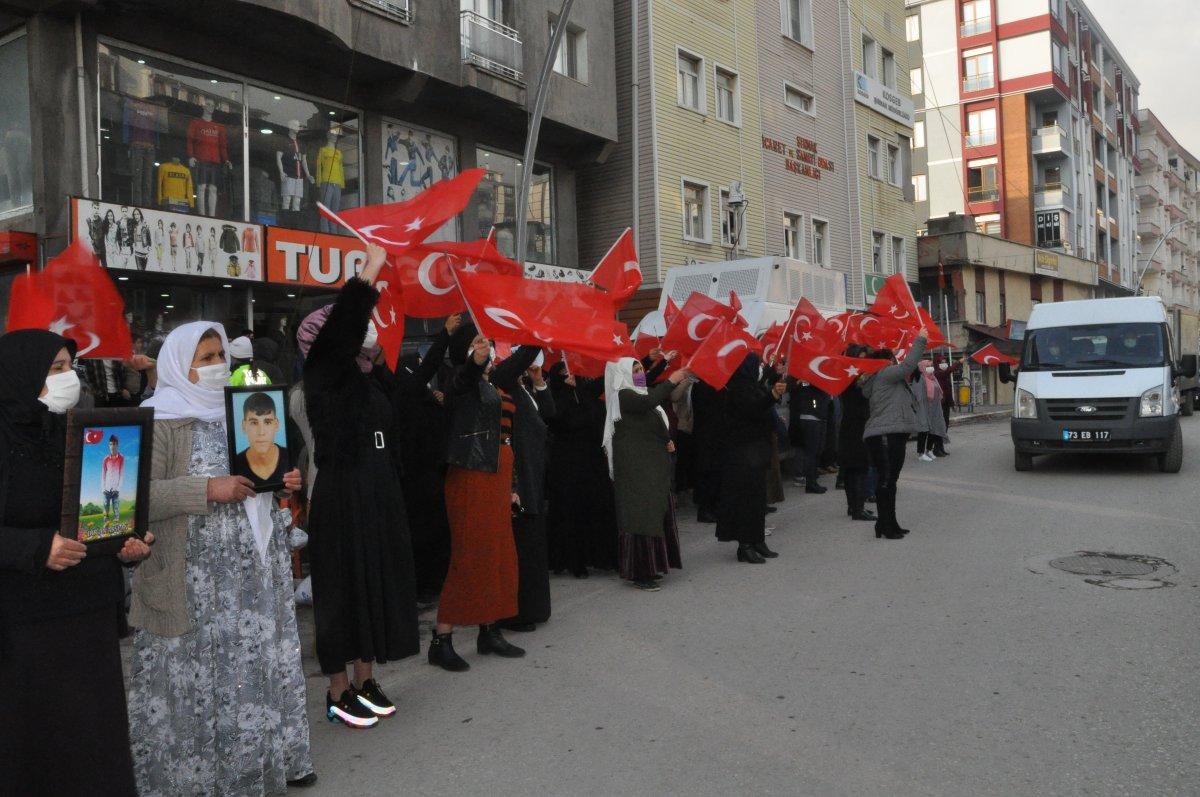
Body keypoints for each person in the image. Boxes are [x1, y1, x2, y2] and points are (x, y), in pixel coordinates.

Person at [128, 322, 313, 794]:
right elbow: (135, 496)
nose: (217, 366)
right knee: (197, 680)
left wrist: (282, 482)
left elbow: (260, 470)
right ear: (177, 364)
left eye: (219, 356)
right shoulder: (157, 417)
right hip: (192, 578)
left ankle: (253, 768)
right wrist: (207, 489)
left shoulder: (235, 411)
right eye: (205, 357)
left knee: (248, 671)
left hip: (250, 572)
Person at [0, 330, 151, 796]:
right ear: (20, 375)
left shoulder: (76, 433)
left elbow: (99, 517)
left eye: (71, 367)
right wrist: (35, 548)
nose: (68, 379)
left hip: (88, 615)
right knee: (36, 744)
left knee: (93, 740)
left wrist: (127, 544)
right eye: (56, 369)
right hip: (27, 623)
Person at [301, 245, 420, 726]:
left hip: (378, 493)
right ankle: (337, 689)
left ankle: (366, 678)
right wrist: (369, 272)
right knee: (342, 592)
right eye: (352, 327)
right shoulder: (324, 372)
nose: (364, 333)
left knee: (376, 585)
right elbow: (343, 328)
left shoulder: (371, 377)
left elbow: (407, 404)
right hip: (342, 496)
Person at [430, 334, 542, 669]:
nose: (486, 353)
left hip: (497, 473)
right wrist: (473, 362)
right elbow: (463, 380)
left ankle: (489, 630)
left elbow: (522, 361)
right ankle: (441, 639)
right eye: (479, 349)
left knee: (498, 553)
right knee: (470, 554)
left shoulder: (497, 381)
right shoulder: (459, 383)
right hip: (471, 475)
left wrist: (537, 329)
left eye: (487, 350)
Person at [604, 357, 689, 590]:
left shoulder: (638, 393)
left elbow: (652, 418)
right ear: (623, 375)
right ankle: (640, 572)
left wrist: (666, 440)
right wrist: (671, 380)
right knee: (640, 518)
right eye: (635, 369)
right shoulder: (624, 395)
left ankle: (653, 566)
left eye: (641, 368)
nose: (640, 372)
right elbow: (650, 401)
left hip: (650, 467)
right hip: (635, 470)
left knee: (653, 515)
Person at [545, 363, 617, 577]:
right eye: (563, 374)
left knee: (599, 506)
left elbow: (601, 387)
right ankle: (574, 561)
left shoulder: (585, 393)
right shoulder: (555, 398)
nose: (568, 376)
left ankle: (602, 557)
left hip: (592, 461)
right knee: (572, 512)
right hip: (567, 464)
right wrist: (569, 392)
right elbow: (559, 420)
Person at [501, 356, 557, 630]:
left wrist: (538, 382)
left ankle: (535, 609)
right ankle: (516, 613)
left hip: (534, 473)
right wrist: (536, 337)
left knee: (533, 545)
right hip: (518, 475)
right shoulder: (503, 387)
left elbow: (548, 414)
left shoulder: (523, 388)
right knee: (520, 546)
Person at [716, 354, 788, 563]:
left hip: (756, 449)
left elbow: (759, 395)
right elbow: (752, 408)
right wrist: (772, 394)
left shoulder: (749, 385)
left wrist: (773, 378)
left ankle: (757, 539)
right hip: (743, 452)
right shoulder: (735, 388)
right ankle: (745, 544)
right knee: (746, 499)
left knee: (758, 497)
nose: (759, 368)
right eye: (756, 365)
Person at [861, 330, 928, 540]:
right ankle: (886, 525)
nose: (894, 361)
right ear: (884, 361)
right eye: (892, 358)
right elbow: (908, 366)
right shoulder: (885, 374)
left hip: (890, 434)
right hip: (885, 435)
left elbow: (909, 371)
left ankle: (888, 522)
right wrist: (921, 339)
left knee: (890, 480)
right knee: (887, 479)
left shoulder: (883, 377)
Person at [838, 345, 875, 522]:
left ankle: (855, 506)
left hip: (860, 424)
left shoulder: (859, 378)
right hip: (853, 426)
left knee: (857, 468)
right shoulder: (849, 378)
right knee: (856, 468)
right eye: (859, 359)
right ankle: (856, 508)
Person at [232, 391, 289, 488]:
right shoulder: (235, 465)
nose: (261, 432)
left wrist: (287, 489)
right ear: (244, 426)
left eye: (267, 422)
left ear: (276, 425)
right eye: (254, 423)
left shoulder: (289, 458)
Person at [789, 378, 831, 494]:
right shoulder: (807, 379)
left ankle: (812, 480)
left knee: (816, 450)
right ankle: (811, 483)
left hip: (816, 416)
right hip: (811, 416)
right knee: (811, 452)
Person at [913, 359, 948, 462]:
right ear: (922, 367)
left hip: (934, 409)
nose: (930, 368)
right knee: (923, 430)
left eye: (931, 365)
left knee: (934, 430)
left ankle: (929, 450)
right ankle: (921, 453)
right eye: (928, 366)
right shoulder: (919, 379)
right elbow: (918, 397)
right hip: (923, 408)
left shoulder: (932, 378)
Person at [100, 434, 125, 526]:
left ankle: (116, 522)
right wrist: (103, 488)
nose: (112, 446)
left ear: (117, 445)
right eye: (111, 444)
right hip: (106, 488)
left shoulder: (121, 458)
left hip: (115, 489)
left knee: (116, 506)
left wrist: (118, 488)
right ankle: (105, 521)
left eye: (114, 444)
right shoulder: (105, 459)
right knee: (105, 506)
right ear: (109, 445)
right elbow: (103, 475)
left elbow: (121, 474)